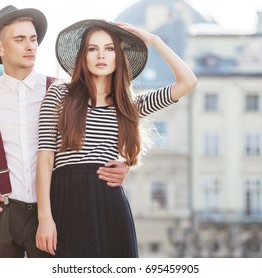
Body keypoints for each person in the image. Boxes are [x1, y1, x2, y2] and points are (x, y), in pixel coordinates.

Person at [0, 6, 128, 258]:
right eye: (19, 39)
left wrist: (122, 163)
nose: (30, 46)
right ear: (0, 48)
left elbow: (102, 127)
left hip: (54, 210)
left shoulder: (63, 92)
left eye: (33, 39)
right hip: (1, 214)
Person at [35, 19, 197, 257]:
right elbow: (45, 158)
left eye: (109, 48)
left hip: (109, 204)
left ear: (118, 56)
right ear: (83, 56)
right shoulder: (60, 94)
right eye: (93, 48)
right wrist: (45, 218)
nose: (101, 55)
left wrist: (154, 41)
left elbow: (188, 82)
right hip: (66, 200)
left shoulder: (129, 106)